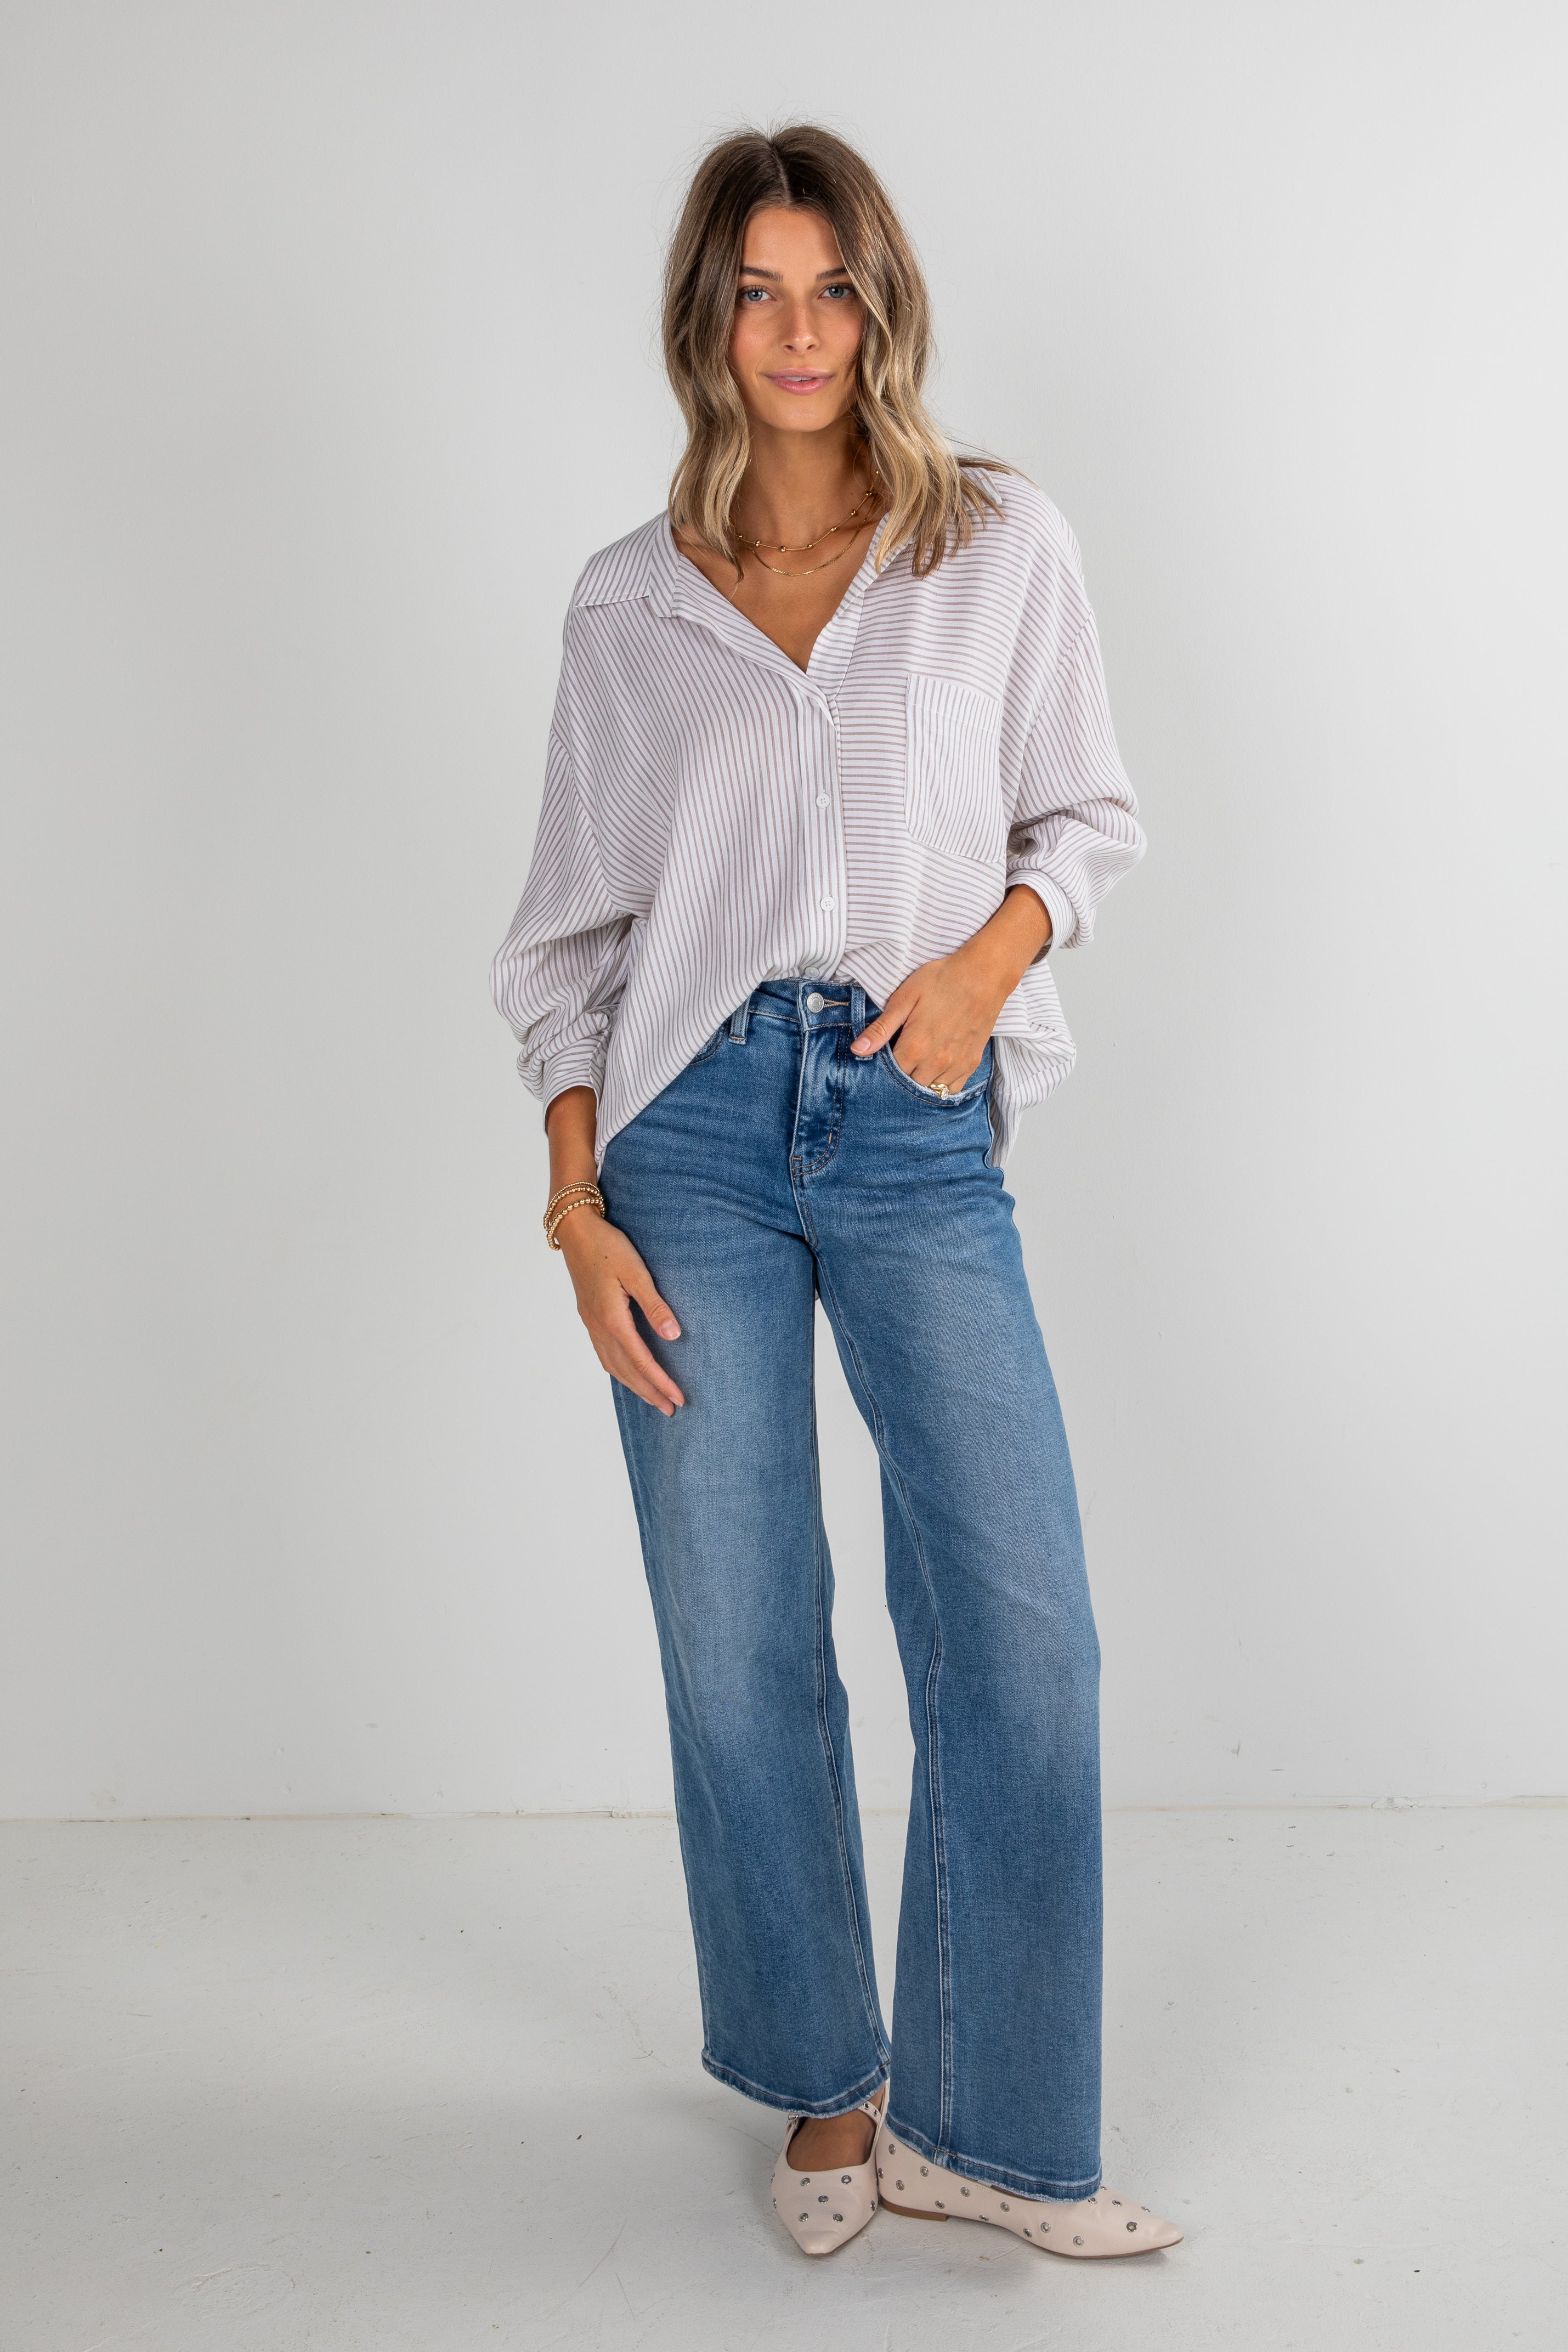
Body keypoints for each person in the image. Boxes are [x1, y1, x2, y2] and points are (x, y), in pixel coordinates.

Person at [492, 123, 1180, 2263]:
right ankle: (828, 2081)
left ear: (878, 307)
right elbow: (564, 953)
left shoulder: (995, 545)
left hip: (903, 1105)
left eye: (832, 287)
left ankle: (979, 2123)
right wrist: (572, 1204)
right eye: (756, 291)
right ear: (707, 322)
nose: (797, 330)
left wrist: (980, 971)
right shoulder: (626, 601)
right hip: (684, 1132)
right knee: (736, 1639)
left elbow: (1087, 816)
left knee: (1021, 1626)